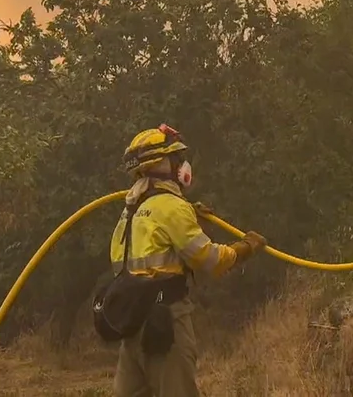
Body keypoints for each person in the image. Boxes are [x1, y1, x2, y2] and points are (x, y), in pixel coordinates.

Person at [108, 124, 267, 397]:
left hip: (132, 324)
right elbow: (210, 260)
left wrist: (191, 213)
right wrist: (245, 248)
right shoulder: (172, 207)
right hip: (165, 322)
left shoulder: (131, 209)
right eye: (176, 158)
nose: (182, 165)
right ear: (163, 164)